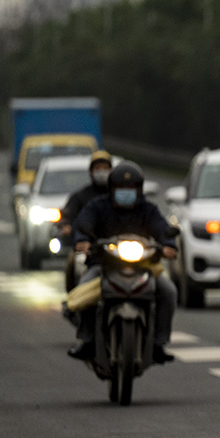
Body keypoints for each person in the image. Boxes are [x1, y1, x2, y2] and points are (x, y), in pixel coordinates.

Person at [67, 161, 179, 363]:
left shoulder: (148, 209)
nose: (126, 192)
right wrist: (82, 240)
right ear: (112, 189)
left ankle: (158, 344)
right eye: (121, 188)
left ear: (139, 189)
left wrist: (169, 244)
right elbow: (83, 222)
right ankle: (87, 341)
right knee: (84, 291)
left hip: (143, 266)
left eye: (131, 188)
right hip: (103, 265)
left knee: (169, 291)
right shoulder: (98, 206)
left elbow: (162, 228)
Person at [60, 151, 114, 293]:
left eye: (105, 168)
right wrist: (69, 227)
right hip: (90, 248)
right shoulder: (82, 197)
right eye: (98, 169)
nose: (102, 172)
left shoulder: (118, 197)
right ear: (91, 172)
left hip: (118, 247)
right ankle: (73, 299)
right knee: (73, 262)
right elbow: (70, 215)